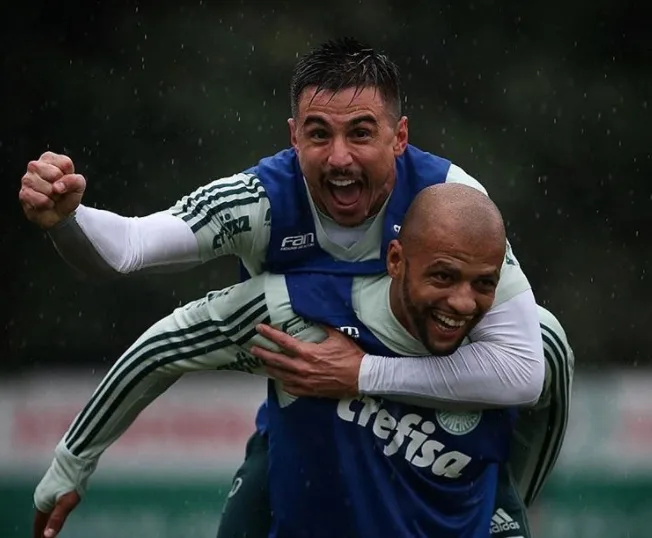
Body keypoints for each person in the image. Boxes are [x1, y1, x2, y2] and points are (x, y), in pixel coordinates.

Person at [21, 38, 549, 536]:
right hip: (307, 421)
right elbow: (129, 250)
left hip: (442, 440)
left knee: (550, 340)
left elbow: (528, 371)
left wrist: (361, 372)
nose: (340, 157)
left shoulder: (453, 203)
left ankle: (507, 493)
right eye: (320, 134)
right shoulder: (258, 205)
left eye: (361, 133)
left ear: (400, 136)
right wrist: (68, 217)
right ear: (294, 137)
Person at [37, 183, 525, 538]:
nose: (462, 303)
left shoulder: (517, 347)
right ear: (395, 260)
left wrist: (512, 506)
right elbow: (163, 348)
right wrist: (71, 462)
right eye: (442, 277)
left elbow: (543, 407)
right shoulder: (298, 311)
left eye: (483, 284)